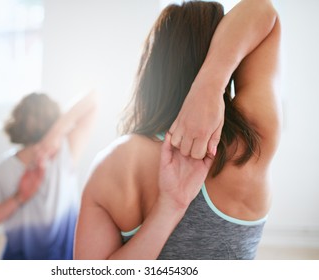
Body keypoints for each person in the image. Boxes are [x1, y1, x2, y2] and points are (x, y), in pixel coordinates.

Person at [74, 0, 281, 260]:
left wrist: (169, 210)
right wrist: (210, 84)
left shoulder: (113, 163)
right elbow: (262, 10)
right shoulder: (250, 143)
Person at [0, 91, 97, 259]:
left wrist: (17, 199)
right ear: (54, 120)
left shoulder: (5, 166)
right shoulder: (65, 151)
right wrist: (20, 197)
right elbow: (92, 99)